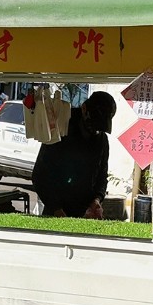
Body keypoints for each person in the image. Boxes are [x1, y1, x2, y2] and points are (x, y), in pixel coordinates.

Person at [32, 91, 117, 219]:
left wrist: (96, 200)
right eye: (93, 124)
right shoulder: (61, 131)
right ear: (84, 109)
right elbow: (39, 176)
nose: (95, 131)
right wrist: (56, 209)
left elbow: (102, 175)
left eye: (99, 128)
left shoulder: (102, 140)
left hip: (85, 213)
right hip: (55, 211)